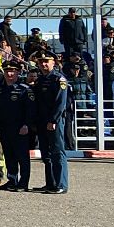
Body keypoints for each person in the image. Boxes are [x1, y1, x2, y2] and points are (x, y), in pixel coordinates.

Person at [30, 53, 72, 194]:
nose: (43, 64)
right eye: (41, 62)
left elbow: (60, 103)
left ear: (53, 62)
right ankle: (51, 183)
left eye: (46, 61)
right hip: (42, 122)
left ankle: (61, 184)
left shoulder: (58, 79)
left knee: (57, 152)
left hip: (54, 122)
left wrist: (53, 120)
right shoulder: (41, 80)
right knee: (46, 154)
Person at [0, 61, 35, 191]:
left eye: (13, 71)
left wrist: (27, 125)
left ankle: (23, 183)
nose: (9, 74)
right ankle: (12, 180)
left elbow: (31, 110)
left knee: (22, 157)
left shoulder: (24, 89)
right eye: (6, 71)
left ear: (18, 72)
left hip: (20, 128)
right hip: (4, 128)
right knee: (9, 156)